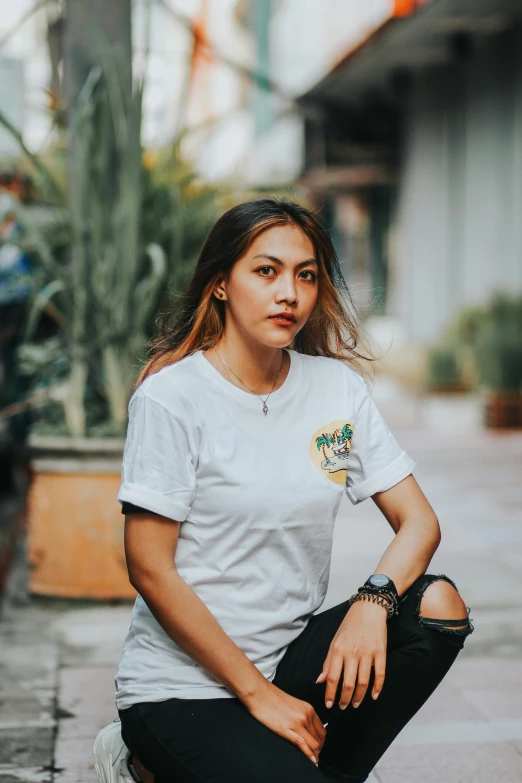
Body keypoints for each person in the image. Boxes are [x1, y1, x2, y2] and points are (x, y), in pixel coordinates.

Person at [92, 198, 474, 783]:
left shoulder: (335, 390)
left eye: (306, 275)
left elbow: (419, 522)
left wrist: (374, 603)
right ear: (220, 284)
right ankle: (138, 759)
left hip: (290, 660)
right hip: (182, 687)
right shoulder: (172, 398)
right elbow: (148, 568)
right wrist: (257, 695)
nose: (289, 293)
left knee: (435, 607)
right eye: (266, 271)